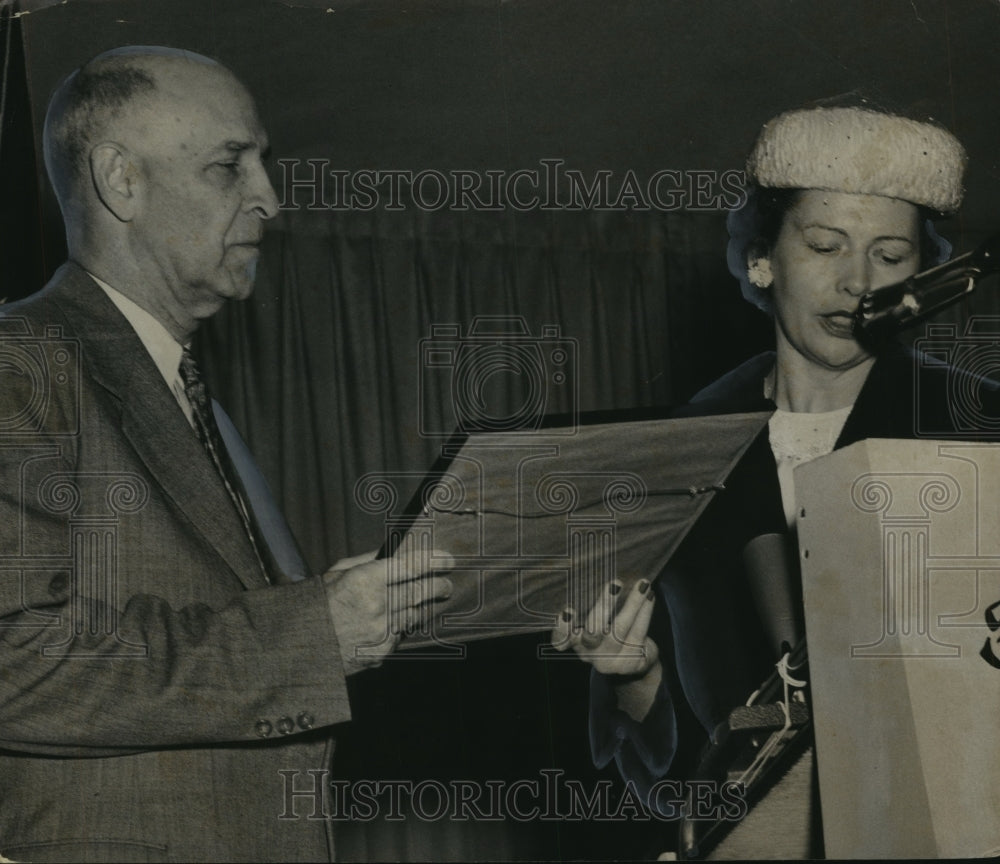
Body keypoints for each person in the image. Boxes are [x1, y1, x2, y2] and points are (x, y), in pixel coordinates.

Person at [0, 46, 451, 863]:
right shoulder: (20, 361)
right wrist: (312, 635)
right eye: (227, 166)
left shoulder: (187, 399)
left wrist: (349, 614)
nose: (269, 199)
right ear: (120, 181)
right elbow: (13, 663)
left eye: (263, 165)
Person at [551, 101, 999, 839]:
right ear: (763, 258)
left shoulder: (984, 429)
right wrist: (635, 675)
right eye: (825, 246)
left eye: (891, 257)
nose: (859, 283)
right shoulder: (678, 456)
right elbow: (677, 784)